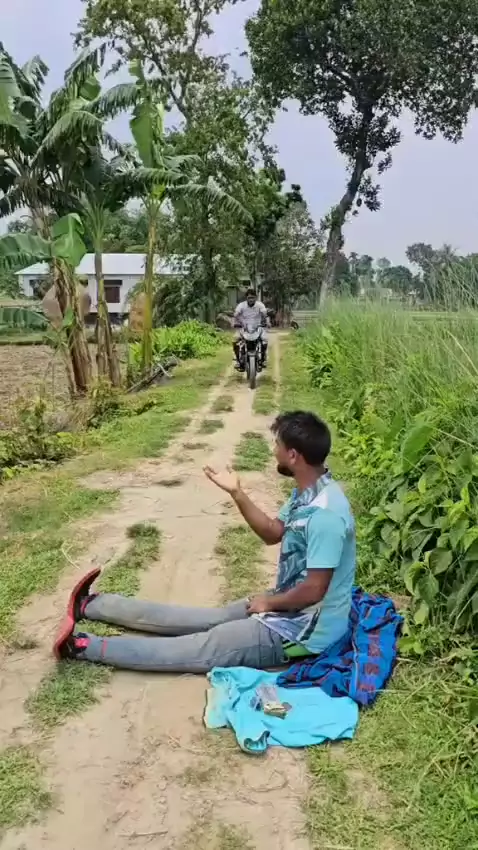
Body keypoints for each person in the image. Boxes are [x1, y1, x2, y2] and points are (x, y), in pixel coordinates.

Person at [53, 411, 356, 673]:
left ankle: (82, 647)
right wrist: (237, 493)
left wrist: (270, 603)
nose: (273, 450)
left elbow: (314, 589)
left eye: (277, 444)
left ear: (293, 456)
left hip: (304, 633)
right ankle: (93, 605)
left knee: (206, 646)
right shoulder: (308, 492)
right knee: (214, 619)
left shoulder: (325, 515)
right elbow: (273, 532)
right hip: (289, 608)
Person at [232, 287, 268, 369]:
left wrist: (267, 321)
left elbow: (264, 314)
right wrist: (235, 321)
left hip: (257, 327)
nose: (251, 299)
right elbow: (236, 314)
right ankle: (238, 360)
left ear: (256, 297)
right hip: (244, 327)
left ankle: (263, 359)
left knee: (264, 340)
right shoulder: (241, 305)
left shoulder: (260, 305)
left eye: (252, 297)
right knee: (235, 340)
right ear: (246, 298)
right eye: (249, 298)